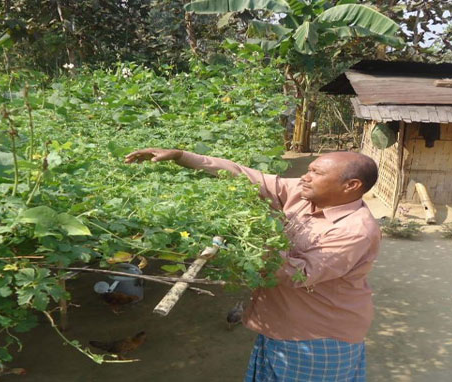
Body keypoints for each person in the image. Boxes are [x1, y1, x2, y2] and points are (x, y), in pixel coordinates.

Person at [125, 148, 381, 382]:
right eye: (308, 169)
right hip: (280, 324)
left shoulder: (354, 230)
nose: (305, 176)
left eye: (316, 172)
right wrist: (182, 157)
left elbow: (296, 275)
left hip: (316, 337)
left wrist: (254, 232)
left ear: (351, 185)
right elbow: (246, 176)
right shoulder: (306, 195)